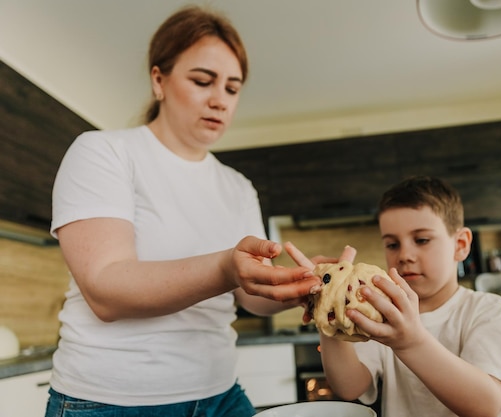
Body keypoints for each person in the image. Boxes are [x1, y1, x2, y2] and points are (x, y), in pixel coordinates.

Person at [45, 6, 321, 417]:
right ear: (159, 80)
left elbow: (250, 296)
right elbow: (105, 290)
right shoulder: (104, 153)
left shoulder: (237, 186)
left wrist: (300, 282)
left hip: (220, 394)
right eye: (202, 81)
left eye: (232, 88)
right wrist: (227, 267)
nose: (219, 100)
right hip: (108, 402)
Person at [287, 176, 501, 417]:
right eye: (392, 244)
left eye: (422, 240)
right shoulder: (383, 311)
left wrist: (411, 342)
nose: (405, 255)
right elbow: (350, 387)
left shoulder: (490, 311)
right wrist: (329, 310)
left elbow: (485, 405)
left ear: (460, 244)